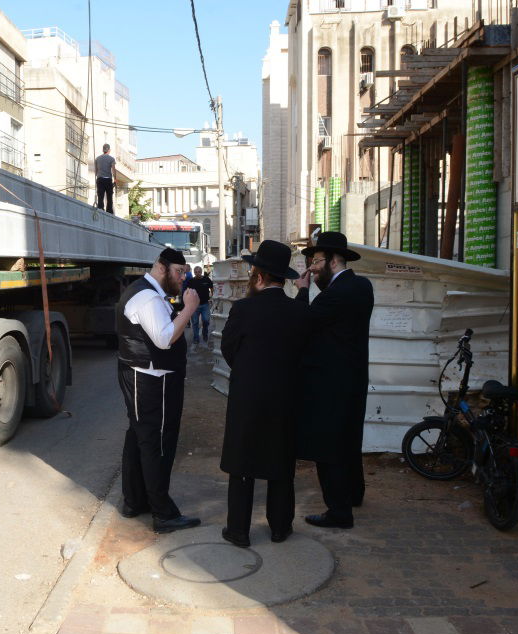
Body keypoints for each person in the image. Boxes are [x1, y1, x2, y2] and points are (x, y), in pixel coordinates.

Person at [219, 240, 305, 547]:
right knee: (280, 461)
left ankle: (238, 530)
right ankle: (280, 527)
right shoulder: (298, 311)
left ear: (259, 276)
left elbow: (228, 348)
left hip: (248, 397)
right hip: (285, 397)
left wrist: (248, 372)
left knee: (242, 462)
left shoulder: (243, 309)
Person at [116, 247, 202, 534]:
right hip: (152, 381)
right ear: (162, 268)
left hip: (145, 377)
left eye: (184, 273)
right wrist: (189, 308)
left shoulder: (148, 292)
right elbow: (164, 338)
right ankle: (162, 514)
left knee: (140, 438)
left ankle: (135, 501)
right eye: (179, 272)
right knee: (157, 445)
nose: (182, 278)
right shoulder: (148, 297)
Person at [295, 231, 374, 529]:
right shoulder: (362, 286)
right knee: (350, 441)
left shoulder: (335, 294)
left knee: (328, 447)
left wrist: (302, 291)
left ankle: (339, 511)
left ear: (333, 261)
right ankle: (353, 494)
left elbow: (303, 322)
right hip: (353, 380)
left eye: (316, 262)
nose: (312, 268)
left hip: (330, 384)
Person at [186, 265, 214, 348]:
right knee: (195, 323)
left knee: (206, 320)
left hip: (205, 304)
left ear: (201, 272)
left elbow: (212, 287)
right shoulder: (191, 281)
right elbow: (188, 291)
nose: (197, 273)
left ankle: (205, 333)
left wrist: (212, 295)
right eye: (196, 272)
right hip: (194, 305)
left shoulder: (206, 279)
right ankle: (196, 338)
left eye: (199, 272)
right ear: (194, 272)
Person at [95, 144, 116, 214]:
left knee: (100, 195)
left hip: (100, 179)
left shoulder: (97, 159)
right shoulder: (111, 159)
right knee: (109, 196)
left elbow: (96, 170)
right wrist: (115, 179)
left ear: (103, 150)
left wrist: (97, 178)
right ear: (109, 150)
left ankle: (100, 208)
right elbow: (113, 170)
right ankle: (109, 211)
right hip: (108, 179)